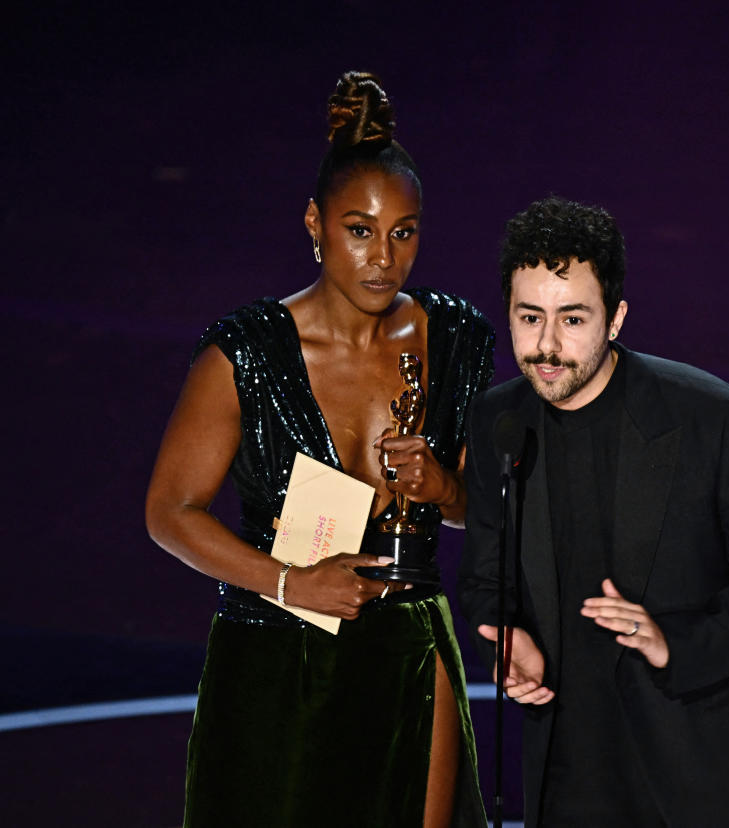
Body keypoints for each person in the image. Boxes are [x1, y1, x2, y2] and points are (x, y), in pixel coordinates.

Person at [146, 71, 493, 827]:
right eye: (359, 229)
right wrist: (287, 582)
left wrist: (446, 491)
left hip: (411, 644)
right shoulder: (247, 353)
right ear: (314, 222)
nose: (383, 257)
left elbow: (482, 511)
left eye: (403, 233)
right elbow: (169, 513)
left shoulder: (457, 340)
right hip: (278, 654)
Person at [458, 196, 729, 827]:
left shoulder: (713, 417)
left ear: (616, 318)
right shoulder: (497, 421)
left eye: (573, 319)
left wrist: (670, 643)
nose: (546, 345)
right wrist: (509, 637)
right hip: (570, 771)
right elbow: (488, 578)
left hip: (708, 769)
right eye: (529, 317)